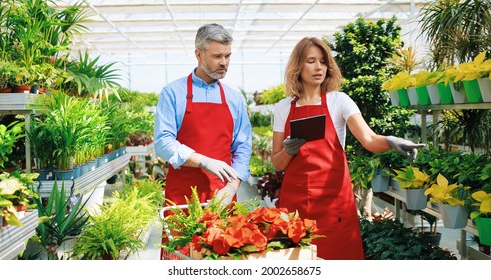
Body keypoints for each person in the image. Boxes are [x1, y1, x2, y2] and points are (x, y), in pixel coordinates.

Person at [272, 37, 425, 260]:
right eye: (311, 61)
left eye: (323, 62)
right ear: (298, 67)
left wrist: (392, 140)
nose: (318, 68)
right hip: (295, 203)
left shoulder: (339, 101)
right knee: (296, 261)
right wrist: (289, 150)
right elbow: (277, 163)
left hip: (334, 203)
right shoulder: (284, 107)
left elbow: (369, 139)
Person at [154, 23, 252, 257]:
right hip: (183, 196)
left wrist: (233, 186)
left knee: (223, 257)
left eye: (228, 56)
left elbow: (243, 146)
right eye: (217, 56)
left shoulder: (233, 98)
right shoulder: (173, 92)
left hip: (223, 194)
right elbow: (163, 142)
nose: (224, 62)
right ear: (198, 54)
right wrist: (203, 160)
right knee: (181, 257)